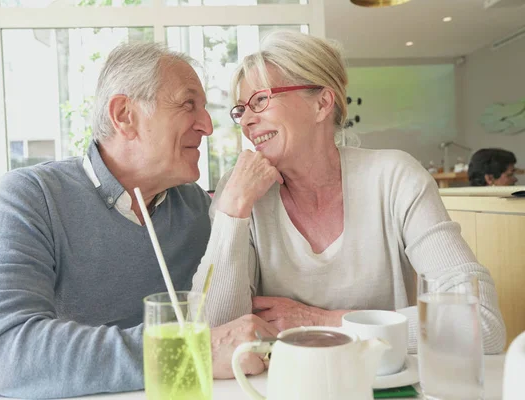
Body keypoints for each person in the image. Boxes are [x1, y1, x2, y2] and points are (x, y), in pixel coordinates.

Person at [0, 42, 278, 399]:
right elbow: (6, 356)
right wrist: (188, 351)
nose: (206, 125)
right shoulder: (31, 197)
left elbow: (227, 329)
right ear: (125, 115)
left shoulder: (191, 206)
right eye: (189, 104)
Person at [192, 30, 506, 355]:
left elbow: (482, 324)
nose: (246, 121)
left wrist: (322, 322)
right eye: (241, 109)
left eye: (260, 100)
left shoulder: (394, 179)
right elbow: (213, 337)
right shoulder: (242, 193)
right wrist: (231, 210)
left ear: (322, 103)